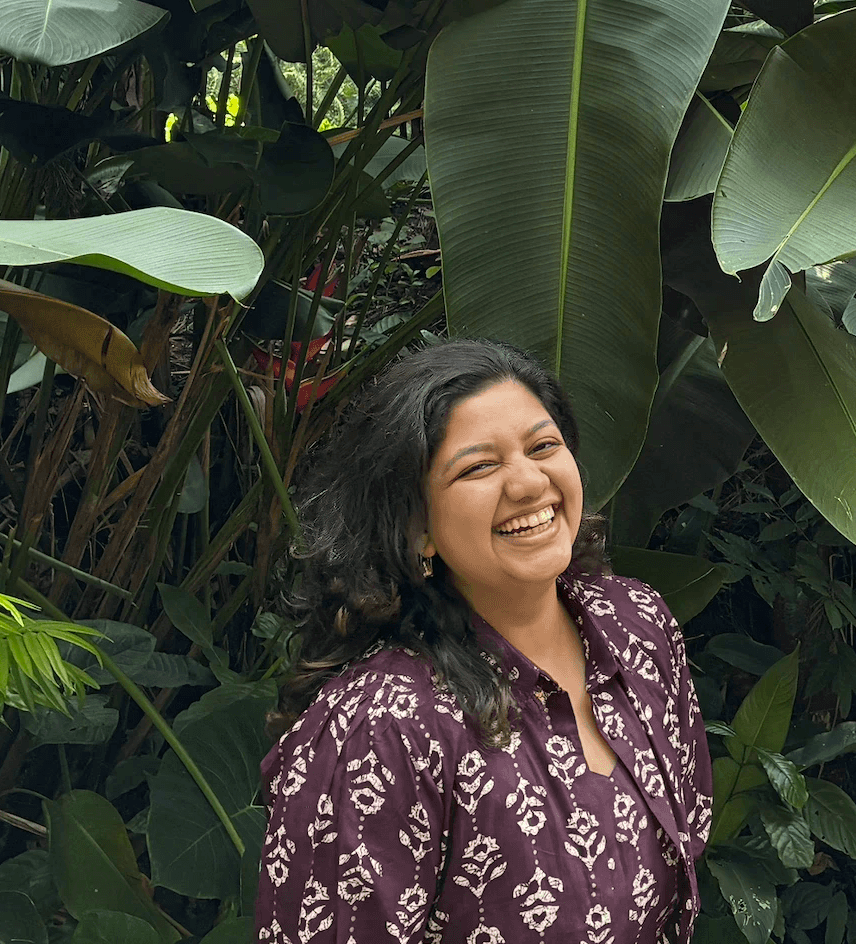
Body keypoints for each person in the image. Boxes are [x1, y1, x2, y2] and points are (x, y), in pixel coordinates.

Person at [255, 339, 713, 944]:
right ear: (416, 528)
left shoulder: (634, 622)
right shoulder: (382, 727)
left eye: (543, 447)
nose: (528, 482)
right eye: (478, 467)